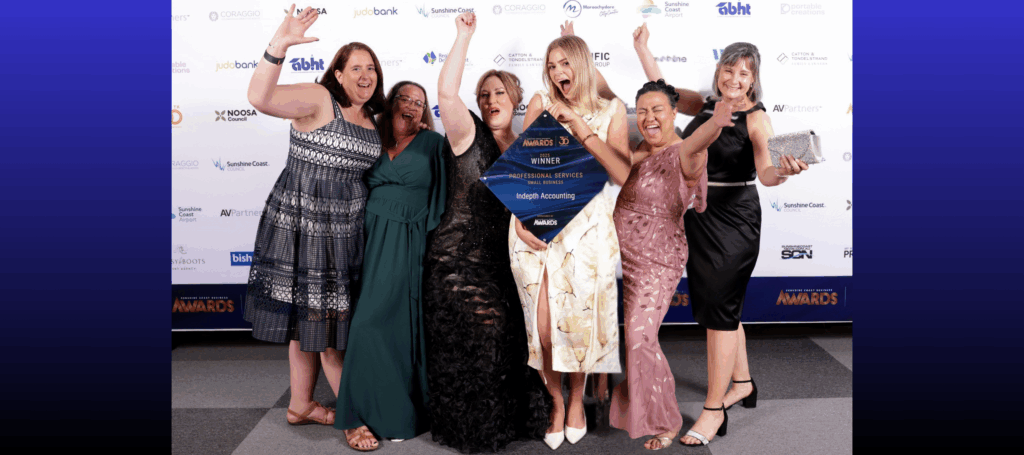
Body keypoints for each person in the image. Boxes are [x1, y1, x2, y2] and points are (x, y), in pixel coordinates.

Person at [631, 24, 809, 447]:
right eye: (729, 70)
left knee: (719, 314)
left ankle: (714, 410)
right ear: (719, 72)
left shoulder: (757, 118)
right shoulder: (707, 104)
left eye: (744, 73)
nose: (735, 79)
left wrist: (784, 170)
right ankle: (742, 382)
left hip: (735, 222)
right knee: (723, 307)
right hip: (700, 216)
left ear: (754, 79)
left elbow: (766, 173)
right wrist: (643, 50)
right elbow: (664, 92)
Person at [242, 6, 385, 451]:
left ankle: (300, 404)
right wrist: (278, 46)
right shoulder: (320, 101)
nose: (365, 74)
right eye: (355, 67)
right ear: (338, 74)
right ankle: (352, 417)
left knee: (311, 322)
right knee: (327, 330)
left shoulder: (373, 121)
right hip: (304, 223)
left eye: (372, 67)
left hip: (346, 233)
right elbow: (260, 98)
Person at [423, 12, 553, 453]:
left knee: (516, 343)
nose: (491, 98)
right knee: (486, 335)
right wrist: (464, 36)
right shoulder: (467, 134)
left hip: (507, 265)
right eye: (484, 93)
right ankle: (475, 431)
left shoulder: (528, 147)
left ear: (515, 98)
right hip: (456, 263)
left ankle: (513, 422)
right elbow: (445, 92)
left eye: (499, 91)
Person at [509, 30, 633, 450]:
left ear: (583, 64)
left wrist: (581, 128)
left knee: (578, 326)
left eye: (565, 63)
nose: (558, 72)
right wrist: (521, 220)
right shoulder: (541, 103)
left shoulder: (612, 109)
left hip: (589, 227)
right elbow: (523, 169)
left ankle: (576, 401)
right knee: (544, 330)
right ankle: (554, 400)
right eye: (551, 65)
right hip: (539, 223)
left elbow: (622, 174)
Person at [609, 80, 736, 450]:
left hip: (658, 259)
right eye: (642, 111)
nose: (649, 117)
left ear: (674, 113)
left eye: (657, 110)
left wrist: (716, 121)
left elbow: (700, 141)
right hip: (625, 256)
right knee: (632, 338)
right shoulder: (637, 151)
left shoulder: (686, 152)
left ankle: (665, 419)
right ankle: (635, 402)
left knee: (639, 337)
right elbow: (604, 99)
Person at [333, 81, 446, 450]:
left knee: (383, 323)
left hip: (406, 239)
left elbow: (446, 196)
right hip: (363, 237)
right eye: (405, 98)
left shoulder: (434, 144)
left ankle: (383, 414)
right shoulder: (370, 138)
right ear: (391, 103)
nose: (412, 105)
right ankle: (367, 410)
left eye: (420, 102)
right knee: (365, 321)